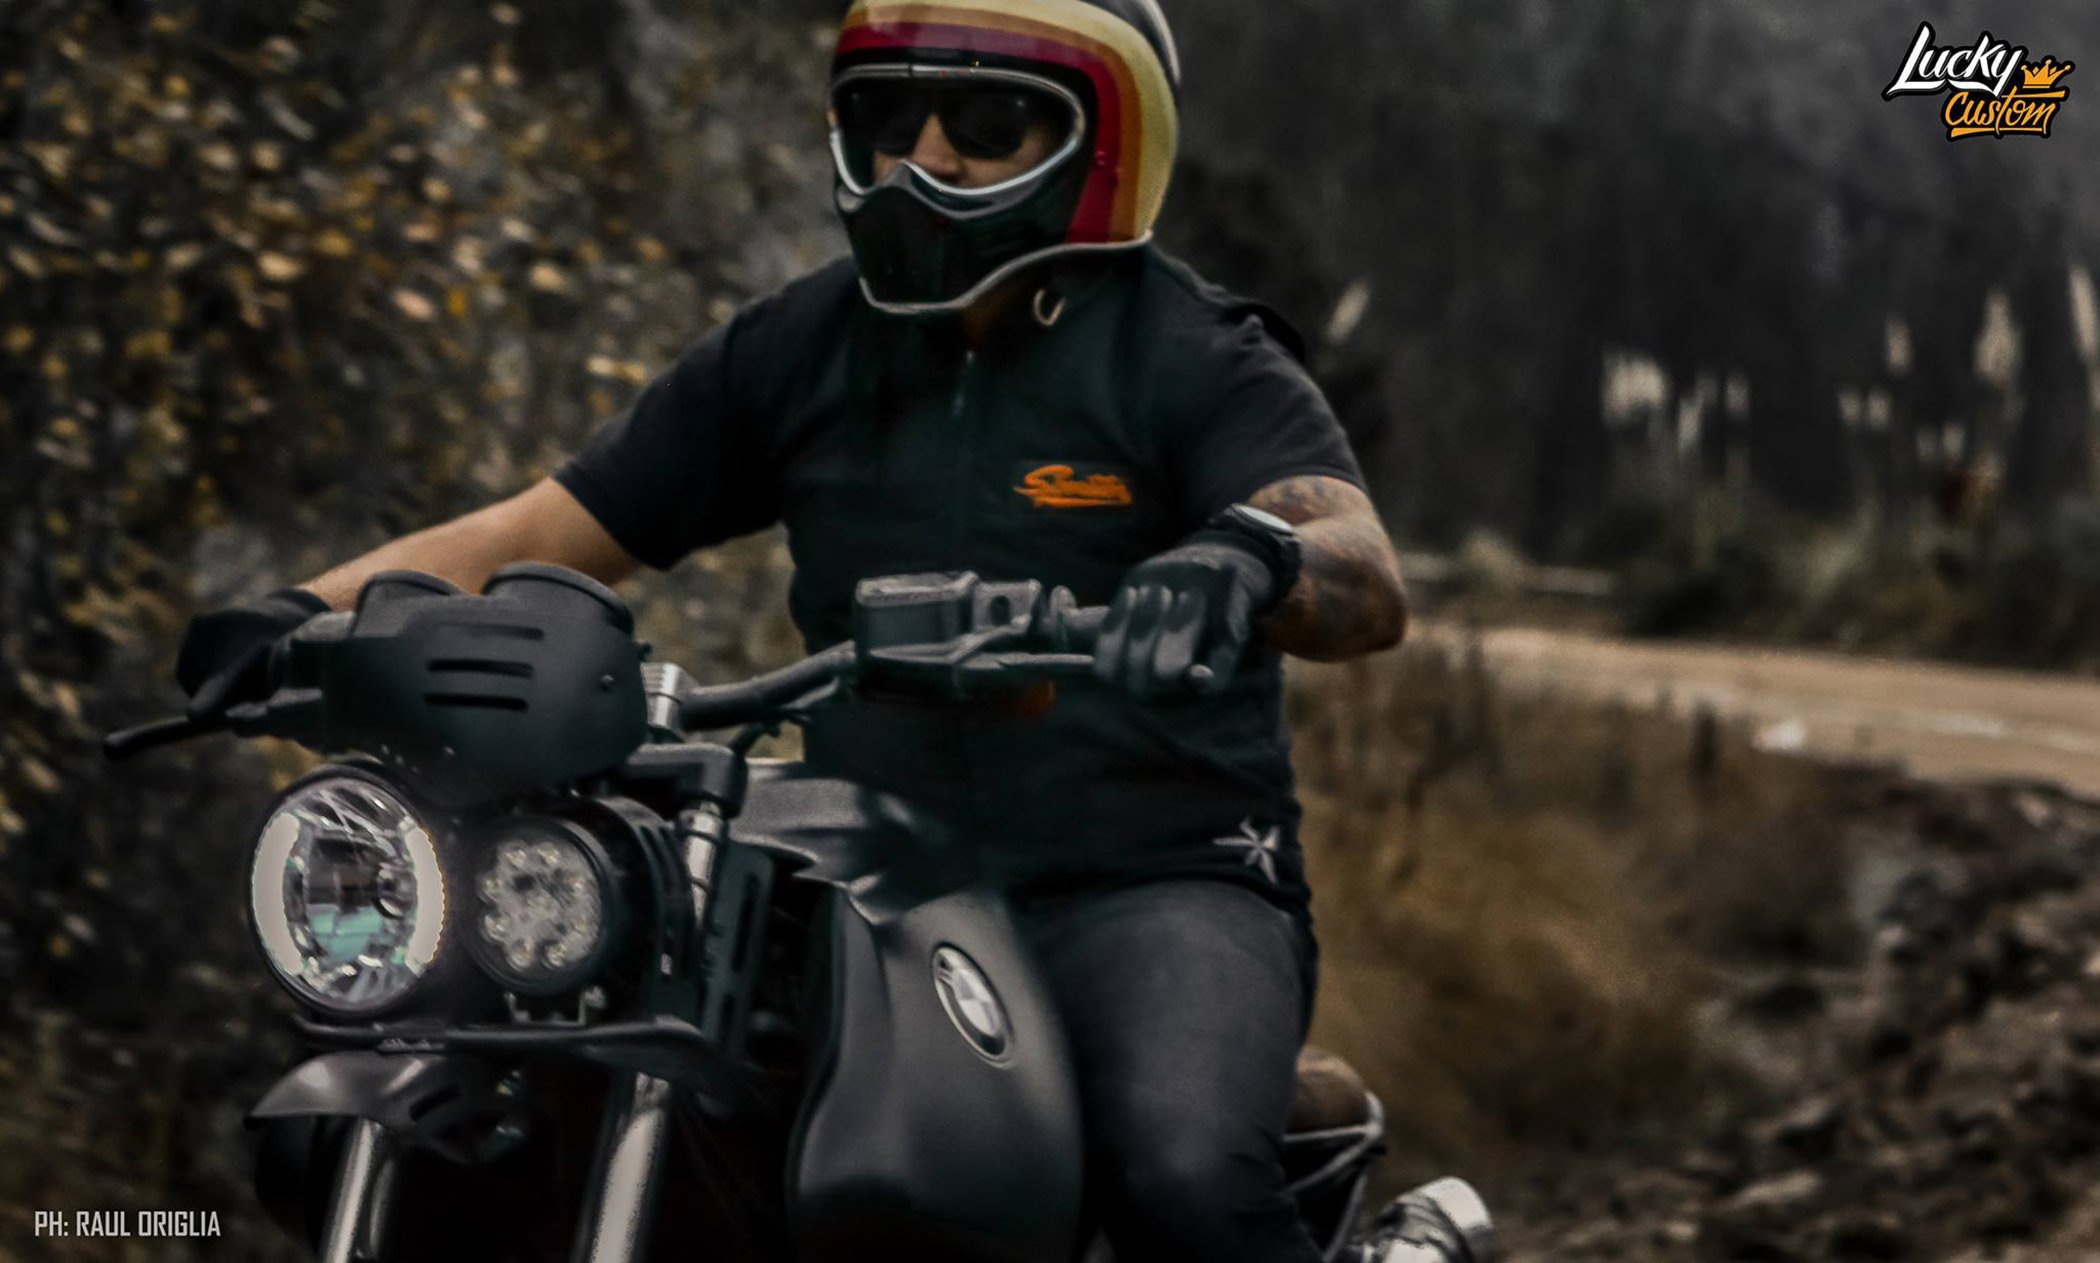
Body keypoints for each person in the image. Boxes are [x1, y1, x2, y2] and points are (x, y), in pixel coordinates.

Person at [176, 1, 1484, 1259]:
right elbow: (549, 525)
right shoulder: (800, 347)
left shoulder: (1190, 354)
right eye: (889, 120)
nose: (927, 159)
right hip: (869, 874)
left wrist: (1245, 558)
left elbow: (1356, 563)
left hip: (1149, 878)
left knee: (1178, 1170)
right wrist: (305, 615)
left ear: (1107, 144)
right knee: (573, 1084)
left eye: (986, 122)